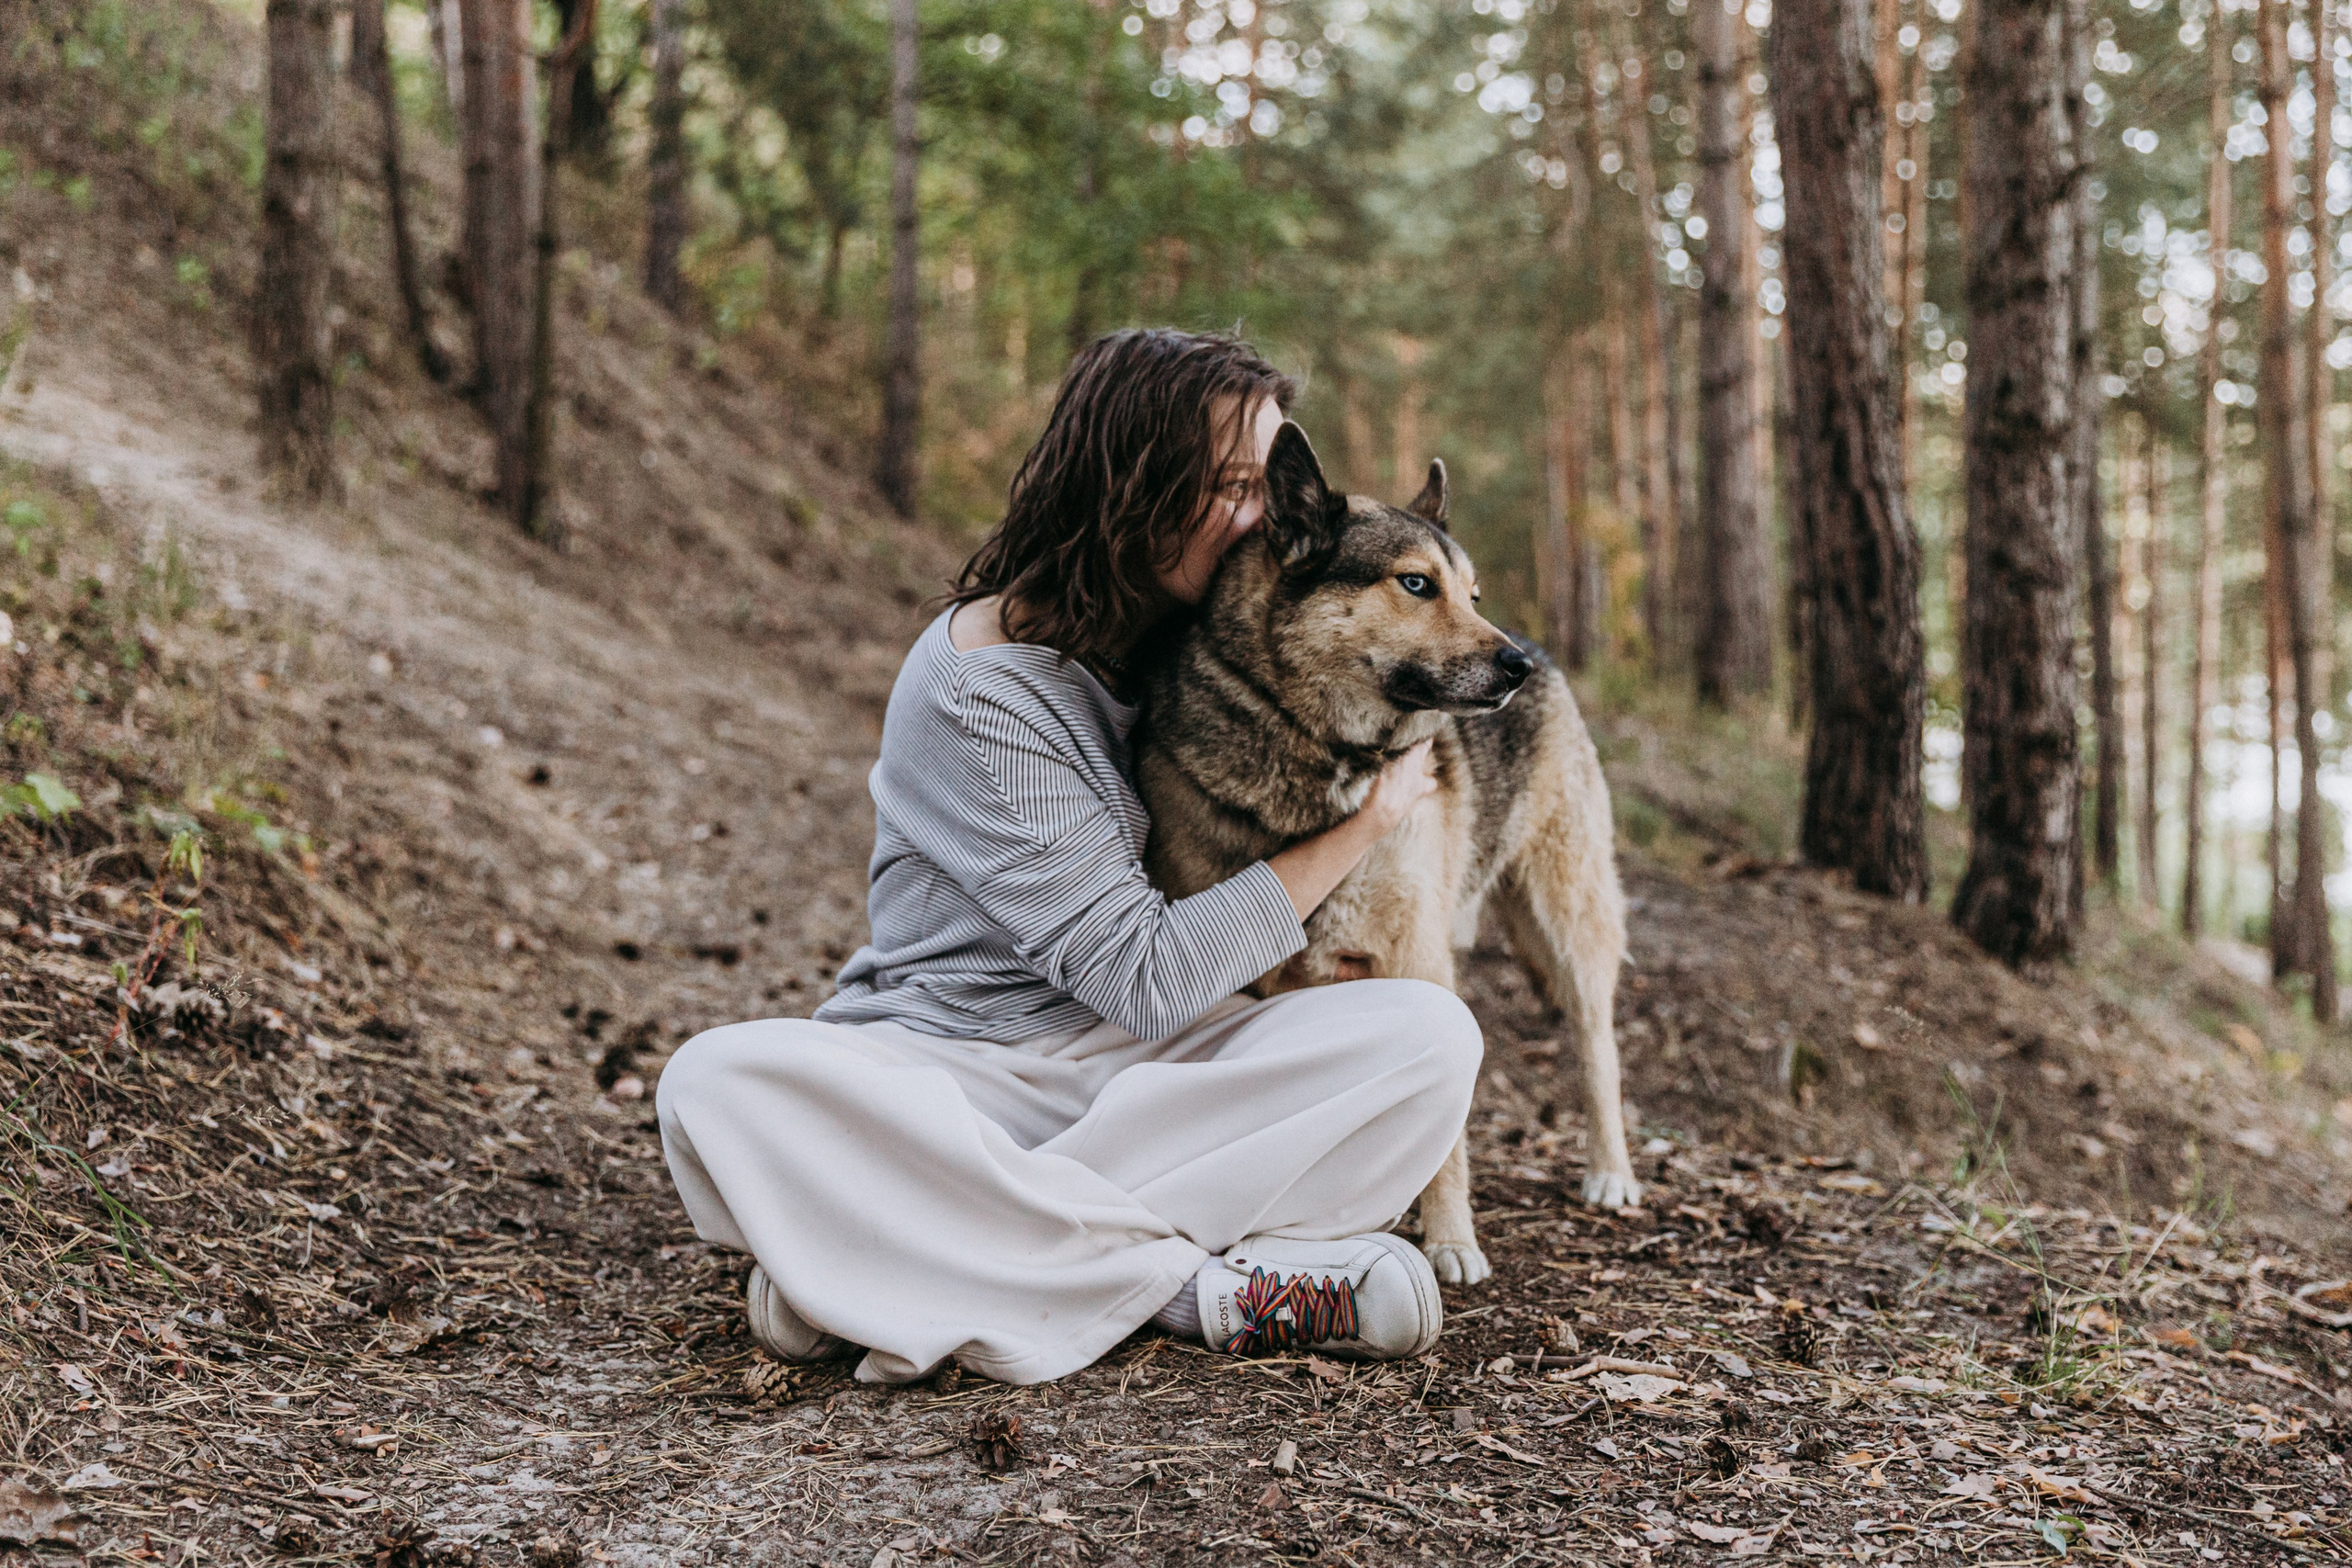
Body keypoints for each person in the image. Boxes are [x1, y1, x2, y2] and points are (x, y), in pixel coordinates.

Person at [657, 329, 1483, 1386]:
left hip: (1140, 1070)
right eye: (1236, 487)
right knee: (717, 1084)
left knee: (1425, 1040)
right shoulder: (981, 691)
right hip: (962, 1069)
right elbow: (1145, 976)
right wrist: (1365, 828)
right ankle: (1200, 1292)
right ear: (1134, 487)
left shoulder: (1181, 648)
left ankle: (888, 1257)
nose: (1267, 516)